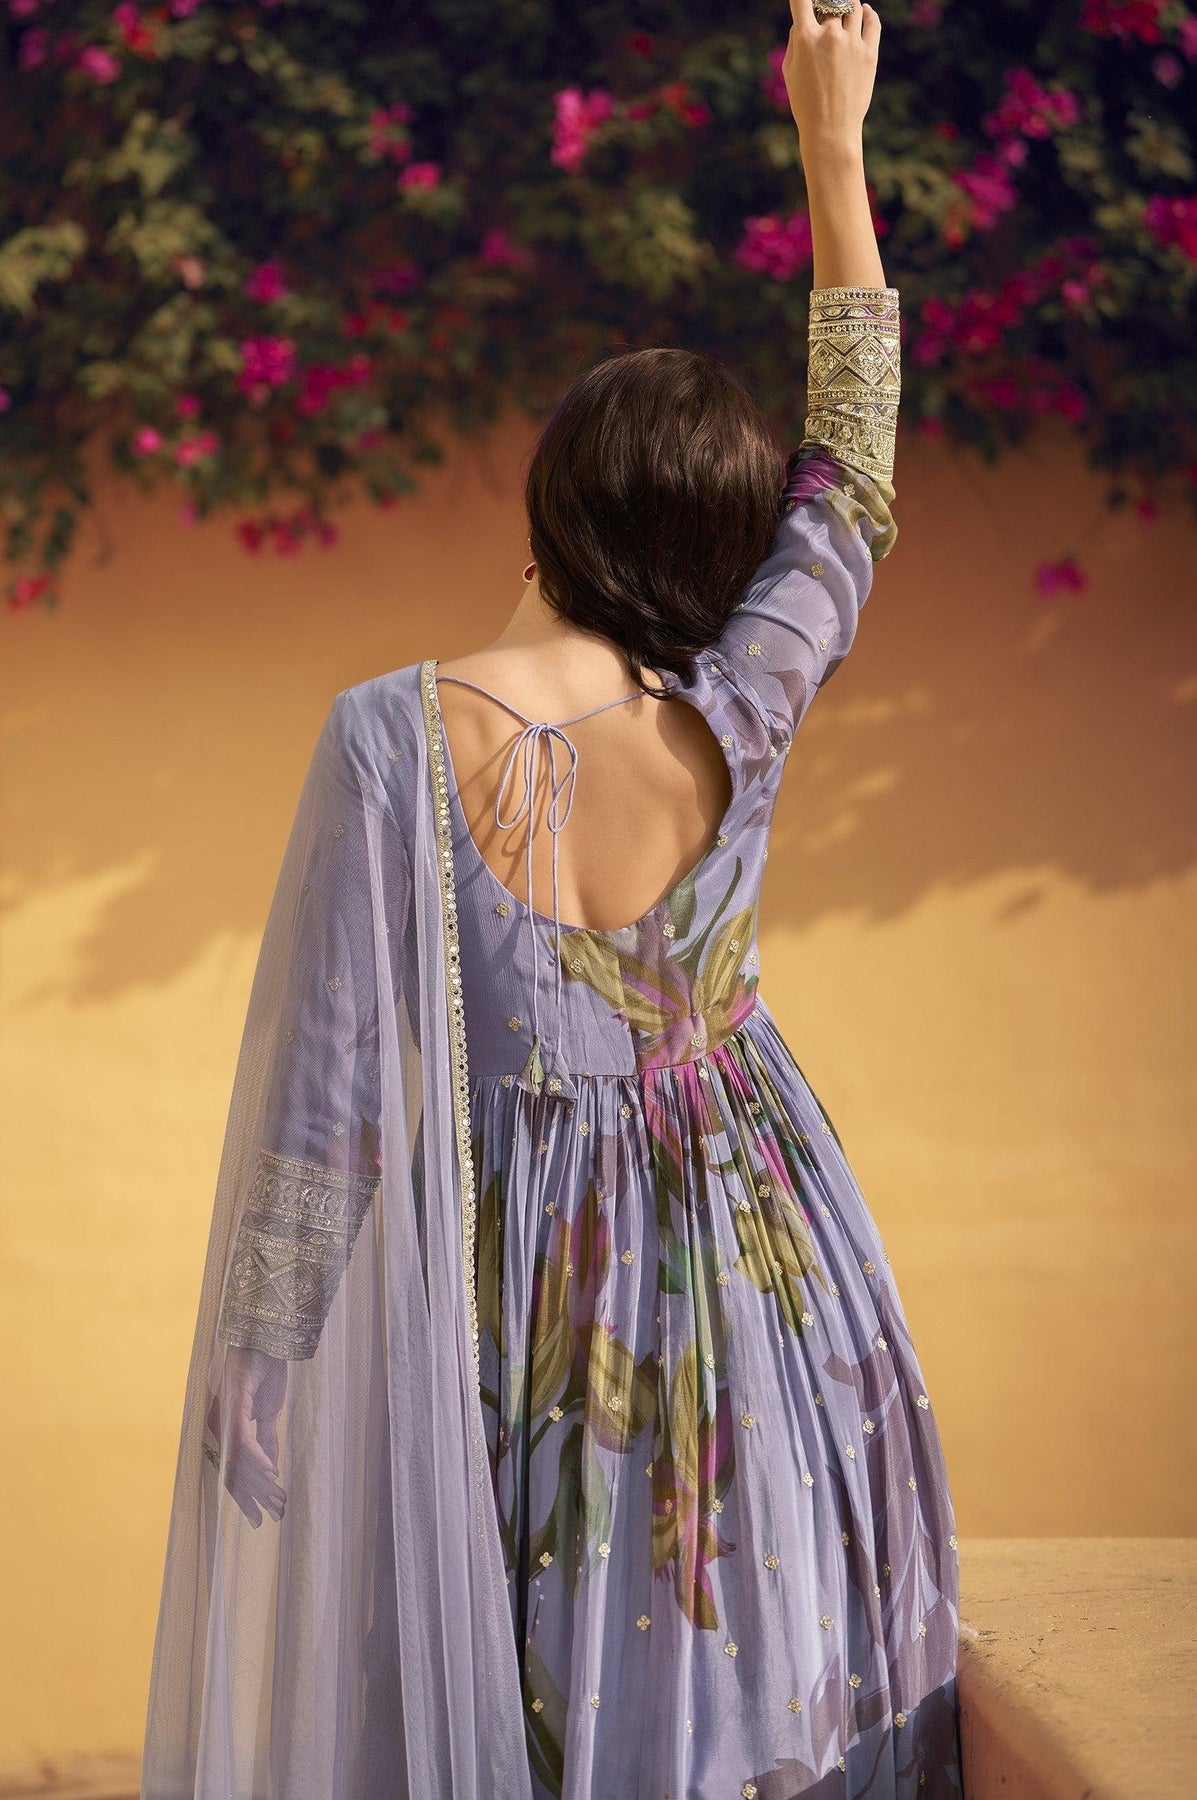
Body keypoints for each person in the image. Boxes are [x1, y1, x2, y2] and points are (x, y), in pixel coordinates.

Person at [140, 2, 963, 1795]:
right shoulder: (740, 706)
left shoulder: (391, 738)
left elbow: (332, 1090)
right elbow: (854, 471)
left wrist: (266, 1341)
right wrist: (832, 148)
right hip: (763, 1267)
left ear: (548, 505)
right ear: (713, 550)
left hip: (516, 1296)